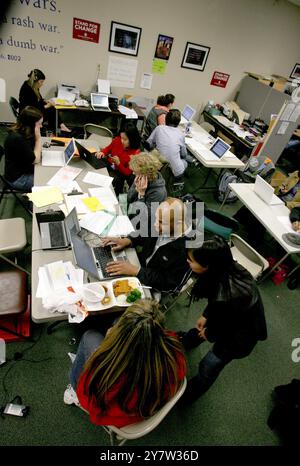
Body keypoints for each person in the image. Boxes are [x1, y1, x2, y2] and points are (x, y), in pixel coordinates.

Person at [63, 299, 186, 427]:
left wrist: (107, 342)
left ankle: (73, 387)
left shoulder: (108, 373)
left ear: (120, 335)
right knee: (114, 322)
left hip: (118, 414)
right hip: (146, 405)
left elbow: (89, 399)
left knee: (90, 337)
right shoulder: (173, 348)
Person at [179, 236, 267, 402]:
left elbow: (226, 323)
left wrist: (210, 334)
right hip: (230, 319)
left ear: (208, 265)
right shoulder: (225, 269)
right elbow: (218, 304)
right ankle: (191, 339)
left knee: (209, 365)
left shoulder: (227, 297)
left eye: (191, 260)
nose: (187, 261)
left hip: (238, 338)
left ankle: (194, 391)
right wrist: (206, 315)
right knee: (202, 331)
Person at [102, 198, 191, 292]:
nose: (156, 225)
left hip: (153, 288)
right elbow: (144, 233)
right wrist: (128, 240)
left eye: (161, 223)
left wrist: (137, 271)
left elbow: (170, 284)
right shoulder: (162, 220)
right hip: (139, 266)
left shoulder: (188, 251)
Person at [4, 105, 43, 191]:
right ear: (31, 125)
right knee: (45, 181)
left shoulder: (23, 132)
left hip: (22, 170)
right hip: (17, 179)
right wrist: (38, 139)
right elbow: (35, 160)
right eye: (39, 124)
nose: (41, 126)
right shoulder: (18, 139)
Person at [19, 69, 70, 133]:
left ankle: (58, 127)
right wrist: (48, 105)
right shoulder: (28, 90)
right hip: (28, 114)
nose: (42, 84)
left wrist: (45, 101)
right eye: (41, 82)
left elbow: (38, 100)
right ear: (36, 81)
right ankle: (55, 129)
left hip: (32, 110)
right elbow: (34, 107)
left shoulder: (33, 86)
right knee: (51, 110)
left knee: (52, 109)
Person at [95, 124, 141, 196]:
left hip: (120, 173)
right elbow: (108, 148)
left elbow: (128, 173)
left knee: (112, 181)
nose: (122, 141)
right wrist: (102, 152)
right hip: (110, 165)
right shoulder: (117, 140)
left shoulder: (135, 153)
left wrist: (119, 163)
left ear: (132, 139)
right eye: (121, 137)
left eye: (125, 139)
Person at [146, 109, 192, 179]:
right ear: (178, 122)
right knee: (186, 161)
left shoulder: (159, 128)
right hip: (174, 171)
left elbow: (149, 143)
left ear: (166, 119)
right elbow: (183, 154)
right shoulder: (181, 134)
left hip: (158, 166)